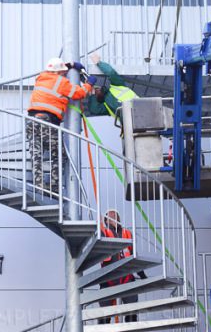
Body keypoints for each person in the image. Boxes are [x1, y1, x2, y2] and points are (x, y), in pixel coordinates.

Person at [27, 57, 97, 193]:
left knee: (36, 153)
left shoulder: (42, 77)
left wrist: (70, 65)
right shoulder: (61, 81)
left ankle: (39, 184)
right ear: (59, 73)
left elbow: (57, 68)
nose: (65, 74)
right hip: (47, 121)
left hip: (32, 122)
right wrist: (89, 83)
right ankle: (54, 185)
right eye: (64, 72)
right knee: (58, 154)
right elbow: (79, 93)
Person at [98, 209, 147, 324]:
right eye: (109, 214)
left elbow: (133, 255)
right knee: (104, 316)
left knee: (131, 313)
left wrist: (142, 274)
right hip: (108, 278)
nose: (112, 214)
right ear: (105, 220)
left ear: (119, 218)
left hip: (127, 278)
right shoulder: (103, 232)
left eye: (114, 213)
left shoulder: (127, 233)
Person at [87, 53, 138, 120]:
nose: (96, 91)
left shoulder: (117, 86)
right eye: (94, 92)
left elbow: (111, 73)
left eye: (96, 89)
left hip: (140, 110)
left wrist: (99, 63)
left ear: (100, 88)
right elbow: (94, 110)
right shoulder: (106, 106)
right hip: (131, 125)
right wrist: (92, 95)